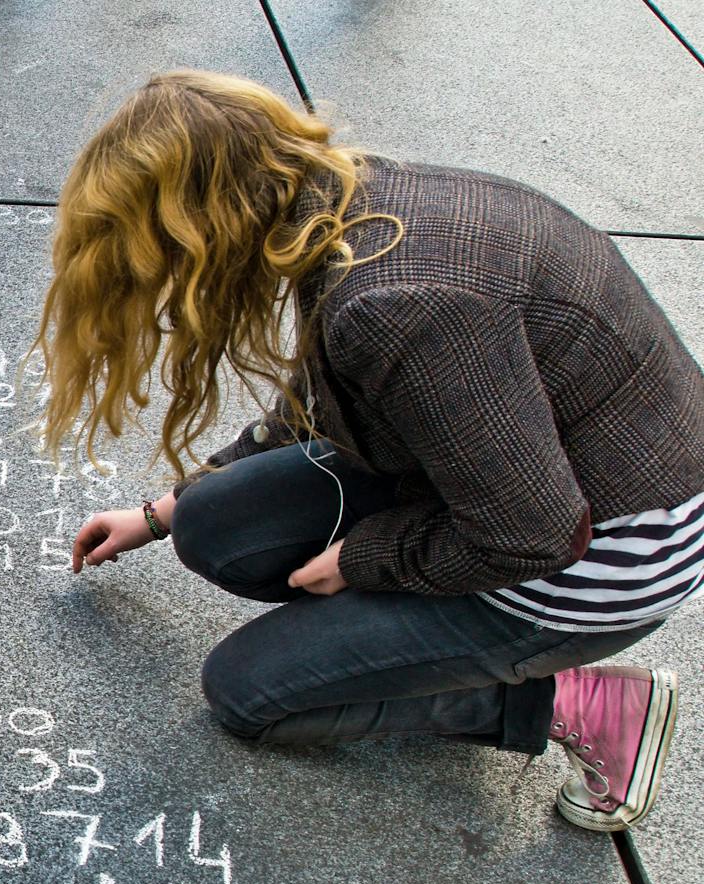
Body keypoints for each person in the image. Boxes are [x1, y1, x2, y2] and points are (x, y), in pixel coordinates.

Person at [35, 70, 704, 832]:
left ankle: (582, 702)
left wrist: (363, 559)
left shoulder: (392, 303)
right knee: (211, 523)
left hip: (608, 556)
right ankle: (392, 637)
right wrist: (162, 511)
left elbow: (538, 533)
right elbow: (328, 398)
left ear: (204, 229)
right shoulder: (349, 205)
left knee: (247, 691)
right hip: (516, 474)